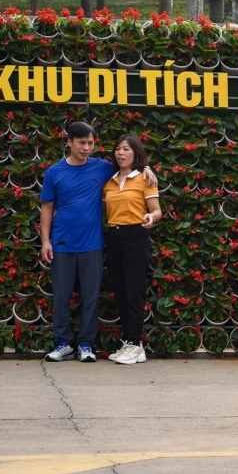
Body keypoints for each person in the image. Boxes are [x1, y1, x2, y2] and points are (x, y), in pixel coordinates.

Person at [42, 122, 156, 364]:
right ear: (69, 142)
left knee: (92, 296)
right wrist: (45, 241)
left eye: (91, 143)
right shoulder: (54, 172)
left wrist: (147, 168)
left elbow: (129, 164)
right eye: (81, 142)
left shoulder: (103, 168)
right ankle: (62, 343)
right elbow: (47, 207)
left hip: (94, 244)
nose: (86, 147)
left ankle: (86, 344)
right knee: (61, 296)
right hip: (61, 242)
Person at [103, 134, 163, 365]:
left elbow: (157, 210)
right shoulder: (109, 181)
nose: (121, 153)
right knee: (120, 292)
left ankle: (135, 344)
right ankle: (129, 342)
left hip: (136, 235)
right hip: (114, 236)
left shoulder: (145, 179)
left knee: (134, 292)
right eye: (118, 149)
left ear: (136, 153)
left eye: (126, 149)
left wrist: (151, 217)